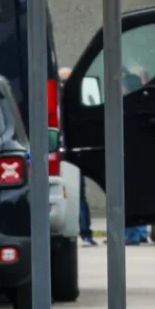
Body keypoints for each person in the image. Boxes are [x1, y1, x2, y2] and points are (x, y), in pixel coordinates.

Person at [61, 65, 99, 249]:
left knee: (76, 196)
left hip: (66, 153)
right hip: (72, 153)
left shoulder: (54, 102)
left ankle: (82, 233)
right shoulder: (80, 101)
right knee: (78, 196)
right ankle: (85, 234)